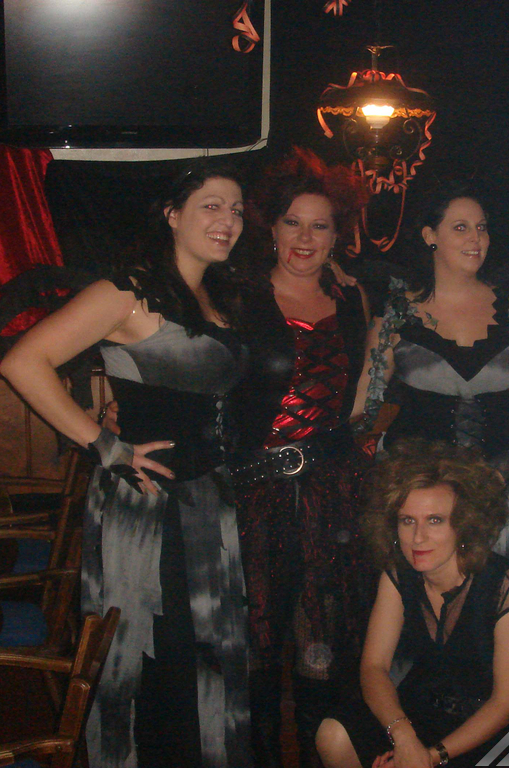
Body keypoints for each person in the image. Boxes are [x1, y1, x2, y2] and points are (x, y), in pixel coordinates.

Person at [0, 163, 252, 767]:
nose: (228, 220)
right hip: (150, 506)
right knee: (154, 658)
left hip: (207, 498)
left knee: (205, 658)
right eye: (211, 205)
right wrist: (106, 446)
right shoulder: (128, 291)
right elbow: (23, 362)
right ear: (172, 215)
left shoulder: (216, 296)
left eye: (237, 209)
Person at [228, 148, 373, 767]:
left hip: (331, 498)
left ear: (338, 236)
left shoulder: (354, 302)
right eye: (293, 222)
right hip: (250, 498)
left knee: (322, 647)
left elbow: (364, 396)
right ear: (271, 227)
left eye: (320, 226)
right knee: (255, 651)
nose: (305, 239)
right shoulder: (237, 298)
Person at [353, 185, 509, 565]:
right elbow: (363, 404)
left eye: (482, 228)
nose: (476, 239)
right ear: (430, 235)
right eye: (461, 228)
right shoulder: (396, 314)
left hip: (496, 490)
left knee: (493, 591)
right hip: (417, 499)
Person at [315, 439, 509, 768]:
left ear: (464, 524)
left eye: (434, 520)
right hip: (419, 714)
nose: (418, 537)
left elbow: (505, 706)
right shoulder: (398, 574)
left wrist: (428, 758)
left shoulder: (505, 587)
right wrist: (403, 736)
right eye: (407, 521)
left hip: (485, 728)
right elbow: (373, 667)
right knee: (332, 734)